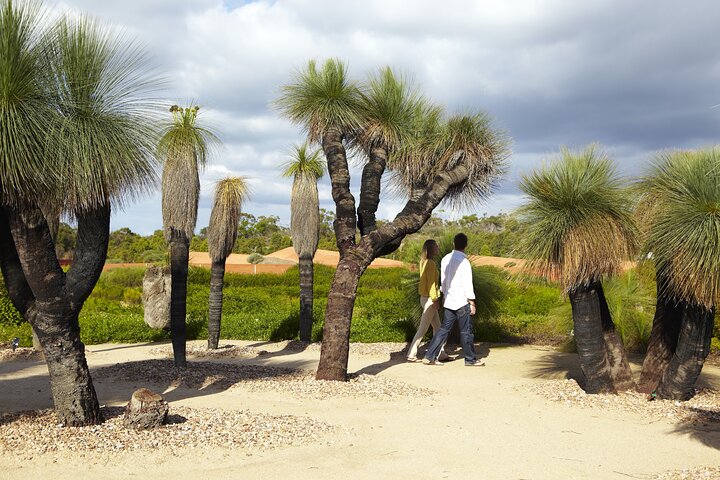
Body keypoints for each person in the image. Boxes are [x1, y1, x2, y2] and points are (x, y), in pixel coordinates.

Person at [423, 233, 484, 366]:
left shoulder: (445, 259)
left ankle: (430, 355)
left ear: (453, 244)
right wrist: (472, 301)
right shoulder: (464, 262)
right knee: (466, 331)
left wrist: (444, 295)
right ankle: (470, 359)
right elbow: (468, 283)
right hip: (462, 301)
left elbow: (443, 281)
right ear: (466, 245)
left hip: (449, 300)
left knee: (443, 330)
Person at [406, 239, 449, 362]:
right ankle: (411, 354)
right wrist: (435, 299)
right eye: (436, 246)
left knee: (438, 328)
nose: (438, 248)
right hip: (430, 299)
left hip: (425, 298)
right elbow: (431, 284)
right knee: (423, 328)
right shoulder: (430, 263)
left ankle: (440, 353)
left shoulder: (423, 262)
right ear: (431, 248)